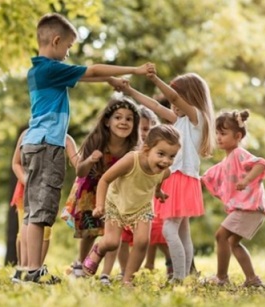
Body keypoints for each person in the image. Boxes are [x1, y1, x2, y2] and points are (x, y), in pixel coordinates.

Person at [21, 12, 154, 284]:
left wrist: (109, 81)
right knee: (41, 212)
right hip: (47, 146)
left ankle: (27, 269)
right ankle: (32, 272)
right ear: (56, 41)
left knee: (34, 211)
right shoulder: (50, 68)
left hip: (35, 143)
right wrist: (135, 70)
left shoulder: (39, 70)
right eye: (68, 47)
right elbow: (91, 70)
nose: (69, 54)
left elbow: (87, 76)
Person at [121, 72, 215, 282]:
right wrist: (129, 91)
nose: (173, 103)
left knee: (168, 229)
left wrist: (154, 79)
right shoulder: (180, 120)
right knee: (182, 233)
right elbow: (155, 106)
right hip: (175, 179)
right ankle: (185, 277)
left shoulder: (196, 118)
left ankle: (178, 278)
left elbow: (172, 98)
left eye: (179, 96)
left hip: (182, 179)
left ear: (191, 97)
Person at [81, 125, 182, 286]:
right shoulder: (131, 160)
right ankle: (98, 249)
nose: (166, 161)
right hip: (116, 203)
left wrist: (158, 192)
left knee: (142, 241)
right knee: (112, 242)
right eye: (161, 154)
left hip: (142, 207)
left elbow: (158, 179)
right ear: (147, 150)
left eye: (172, 156)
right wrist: (99, 205)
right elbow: (105, 180)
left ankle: (128, 279)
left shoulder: (165, 171)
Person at [63, 97, 140, 285]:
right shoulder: (97, 140)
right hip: (90, 188)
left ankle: (105, 274)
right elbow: (80, 171)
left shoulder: (133, 147)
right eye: (118, 118)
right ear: (107, 121)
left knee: (114, 233)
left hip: (116, 192)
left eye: (129, 119)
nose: (123, 122)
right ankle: (80, 264)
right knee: (89, 230)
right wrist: (89, 160)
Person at [201, 110, 265, 287]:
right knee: (232, 242)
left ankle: (221, 278)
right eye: (217, 133)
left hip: (250, 207)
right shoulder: (226, 160)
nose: (218, 137)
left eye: (223, 133)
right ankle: (252, 279)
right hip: (250, 209)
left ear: (238, 135)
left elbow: (261, 164)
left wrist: (246, 180)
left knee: (220, 236)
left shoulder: (239, 153)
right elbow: (208, 177)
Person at [10, 129, 79, 283]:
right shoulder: (27, 134)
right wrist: (28, 182)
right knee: (25, 228)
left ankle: (35, 270)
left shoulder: (65, 138)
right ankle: (23, 269)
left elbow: (78, 163)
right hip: (25, 192)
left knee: (45, 231)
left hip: (47, 192)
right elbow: (16, 163)